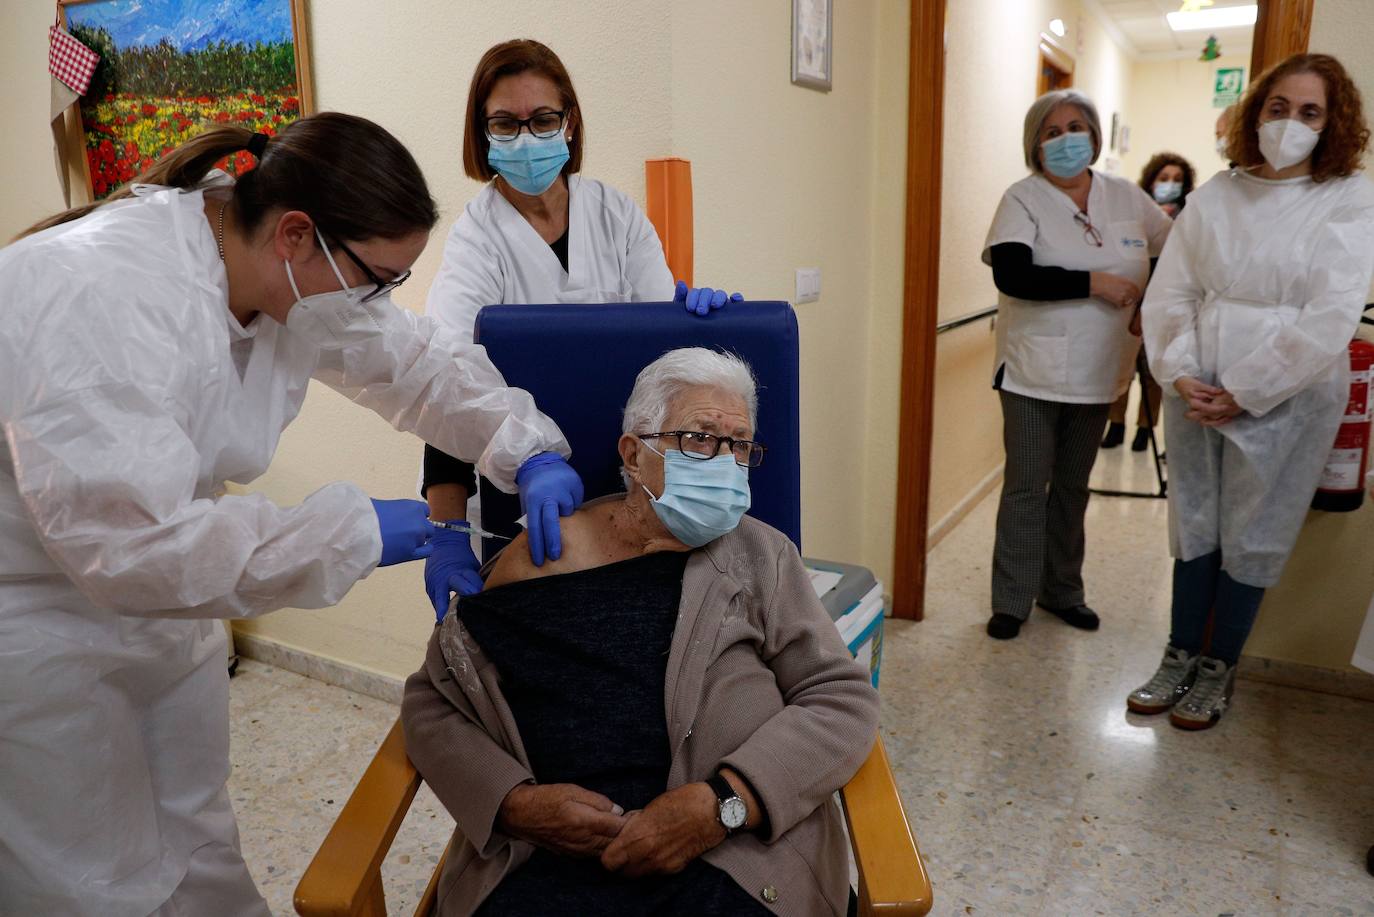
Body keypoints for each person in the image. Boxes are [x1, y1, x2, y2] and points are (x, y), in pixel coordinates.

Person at [0, 115, 585, 915]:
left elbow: (415, 364)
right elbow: (127, 546)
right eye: (377, 276)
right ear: (296, 234)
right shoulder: (97, 291)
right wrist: (349, 532)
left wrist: (528, 447)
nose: (379, 300)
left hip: (167, 604)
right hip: (36, 625)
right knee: (86, 876)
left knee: (195, 837)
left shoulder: (289, 278)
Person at [402, 348, 879, 916]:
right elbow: (434, 703)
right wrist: (513, 805)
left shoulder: (761, 555)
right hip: (545, 860)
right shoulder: (545, 554)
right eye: (700, 438)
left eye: (740, 445)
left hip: (734, 858)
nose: (724, 462)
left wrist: (724, 804)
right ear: (635, 452)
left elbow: (842, 699)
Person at [421, 39, 743, 620]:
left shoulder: (616, 215)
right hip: (521, 500)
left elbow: (661, 355)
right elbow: (445, 383)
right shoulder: (475, 241)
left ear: (568, 123)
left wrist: (690, 318)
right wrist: (444, 528)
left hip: (637, 488)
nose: (526, 136)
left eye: (542, 118)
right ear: (481, 132)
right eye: (505, 122)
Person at [1129, 53, 1374, 730]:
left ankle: (1220, 666)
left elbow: (1333, 312)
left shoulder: (1348, 197)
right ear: (1255, 110)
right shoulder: (1216, 196)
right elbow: (1171, 292)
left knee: (1254, 533)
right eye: (1278, 107)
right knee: (1197, 523)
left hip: (1288, 393)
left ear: (1332, 124)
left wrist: (1244, 388)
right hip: (1194, 386)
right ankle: (1178, 653)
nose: (1289, 123)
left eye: (1309, 112)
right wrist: (1178, 372)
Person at [981, 90, 1172, 640]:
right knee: (1025, 488)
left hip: (1100, 371)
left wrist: (1151, 304)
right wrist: (1095, 283)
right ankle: (1012, 601)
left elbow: (1173, 252)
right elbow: (1013, 275)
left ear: (1094, 134)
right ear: (1035, 144)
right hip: (1032, 374)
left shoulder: (1126, 196)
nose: (1066, 139)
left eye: (1076, 126)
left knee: (1073, 487)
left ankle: (1063, 592)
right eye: (1052, 131)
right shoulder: (1023, 198)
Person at [1102, 152, 1195, 451]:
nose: (1170, 185)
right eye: (1164, 178)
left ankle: (1146, 428)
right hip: (1129, 303)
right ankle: (1116, 424)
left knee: (1155, 373)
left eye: (1177, 180)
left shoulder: (1190, 218)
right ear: (1151, 180)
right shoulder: (1134, 214)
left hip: (1166, 307)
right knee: (1122, 366)